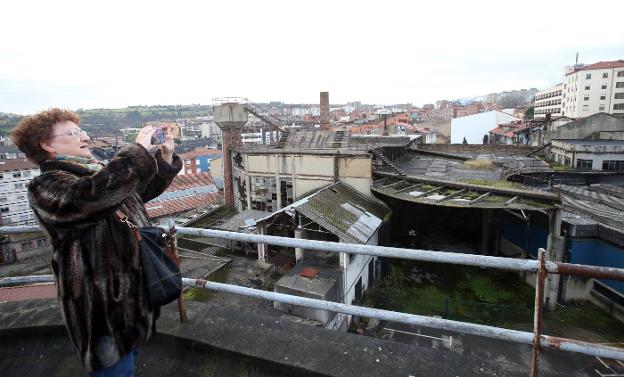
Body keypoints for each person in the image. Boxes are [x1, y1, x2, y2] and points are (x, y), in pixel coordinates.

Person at [12, 109, 182, 376]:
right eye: (74, 133)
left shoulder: (95, 172)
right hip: (101, 308)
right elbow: (89, 198)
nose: (84, 136)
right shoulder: (46, 186)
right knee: (114, 369)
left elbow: (137, 193)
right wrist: (136, 152)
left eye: (82, 130)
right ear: (48, 145)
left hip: (132, 299)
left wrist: (166, 157)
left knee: (129, 361)